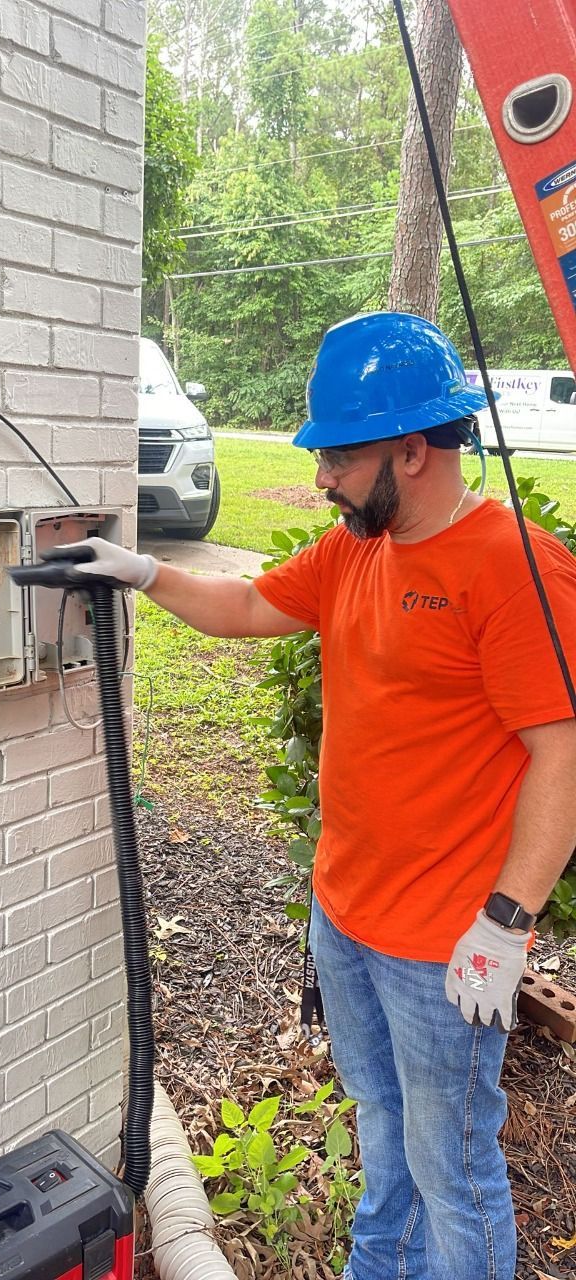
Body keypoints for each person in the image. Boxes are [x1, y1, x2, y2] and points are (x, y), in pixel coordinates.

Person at [70, 312, 576, 1280]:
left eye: (339, 457)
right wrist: (139, 571)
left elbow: (563, 751)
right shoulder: (359, 549)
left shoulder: (513, 568)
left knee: (455, 1170)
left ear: (415, 450)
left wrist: (506, 922)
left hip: (447, 945)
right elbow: (252, 603)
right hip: (344, 914)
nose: (320, 479)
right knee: (383, 1127)